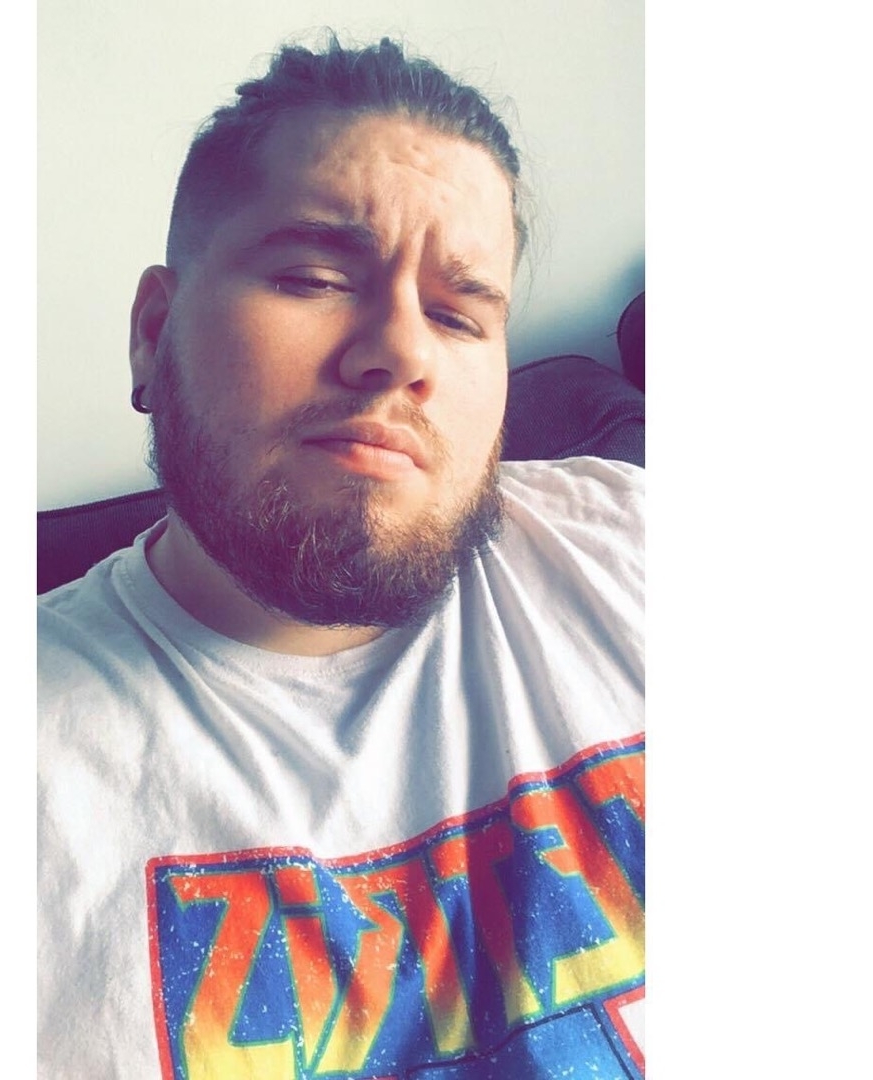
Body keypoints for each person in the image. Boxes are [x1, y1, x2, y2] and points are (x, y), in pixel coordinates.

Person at [38, 34, 644, 1080]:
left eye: (458, 315)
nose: (403, 352)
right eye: (315, 278)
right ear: (153, 334)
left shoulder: (636, 545)